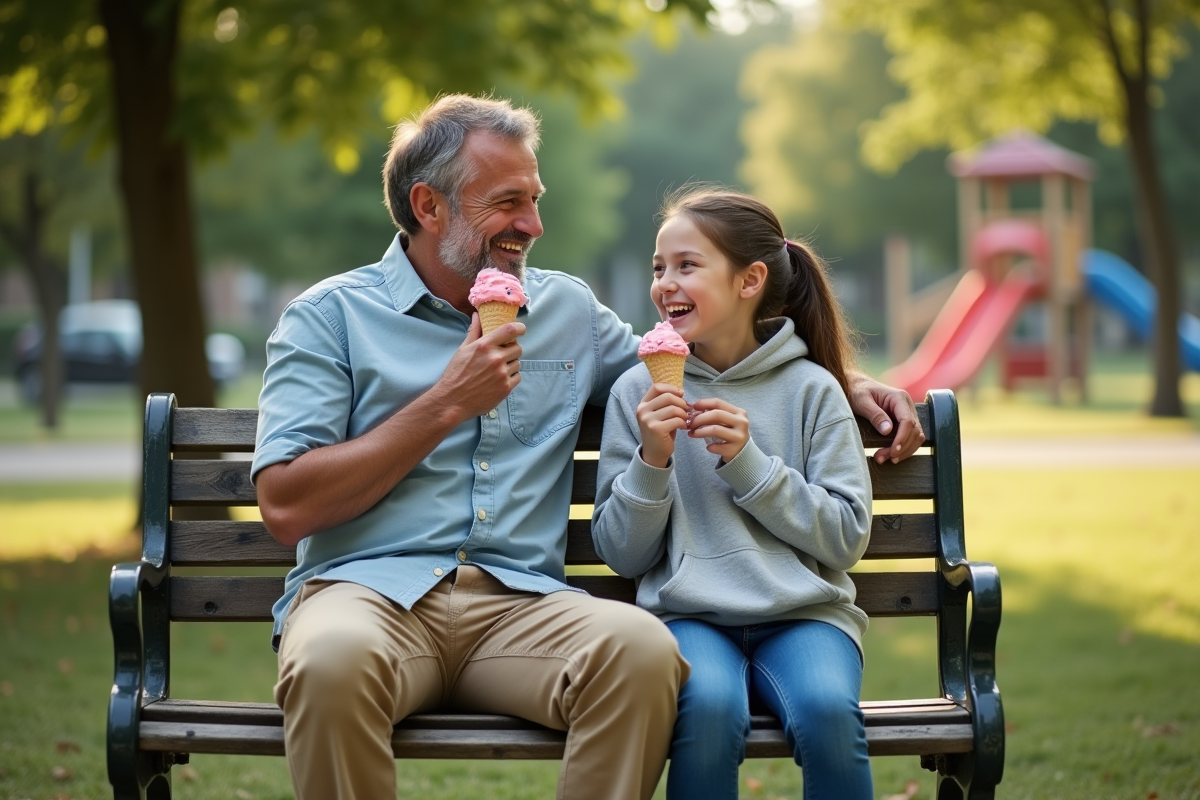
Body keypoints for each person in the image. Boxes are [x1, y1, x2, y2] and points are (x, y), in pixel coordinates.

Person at [252, 95, 921, 800]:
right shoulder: (329, 317)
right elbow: (286, 504)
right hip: (366, 596)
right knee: (329, 663)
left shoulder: (566, 310)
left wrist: (843, 379)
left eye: (535, 200)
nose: (533, 226)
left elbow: (687, 356)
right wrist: (448, 400)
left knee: (641, 654)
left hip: (521, 605)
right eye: (508, 203)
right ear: (429, 206)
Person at [592, 187, 877, 799]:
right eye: (658, 268)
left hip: (804, 617)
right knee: (708, 713)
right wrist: (652, 459)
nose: (665, 283)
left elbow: (846, 537)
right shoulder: (634, 394)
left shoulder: (813, 392)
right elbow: (622, 555)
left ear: (749, 280)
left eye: (687, 266)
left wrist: (751, 467)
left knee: (829, 713)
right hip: (689, 616)